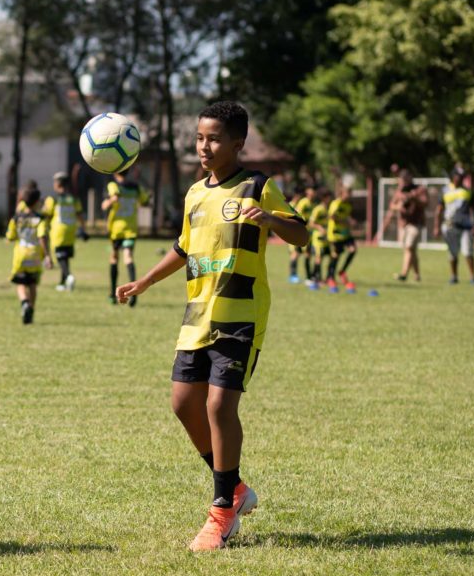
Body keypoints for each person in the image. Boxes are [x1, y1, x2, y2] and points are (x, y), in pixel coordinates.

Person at [116, 101, 308, 552]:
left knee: (220, 405)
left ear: (238, 144)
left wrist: (271, 220)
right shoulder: (195, 194)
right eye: (200, 137)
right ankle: (236, 487)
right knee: (184, 403)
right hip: (197, 313)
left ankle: (222, 510)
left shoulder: (257, 187)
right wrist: (145, 280)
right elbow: (184, 248)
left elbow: (302, 234)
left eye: (215, 138)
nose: (204, 146)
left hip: (241, 311)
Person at [102, 169, 151, 306]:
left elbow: (112, 199)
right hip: (131, 229)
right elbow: (145, 202)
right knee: (128, 257)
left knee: (114, 258)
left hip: (116, 230)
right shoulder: (136, 187)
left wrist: (108, 202)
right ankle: (134, 293)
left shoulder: (113, 185)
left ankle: (112, 294)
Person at [6, 183, 52, 324]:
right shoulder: (40, 219)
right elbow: (42, 237)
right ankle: (31, 308)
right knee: (32, 284)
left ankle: (24, 303)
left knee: (20, 284)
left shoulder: (16, 218)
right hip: (35, 255)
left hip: (20, 255)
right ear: (37, 202)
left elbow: (10, 237)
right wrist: (48, 256)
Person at [42, 171, 87, 292]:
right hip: (71, 230)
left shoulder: (53, 199)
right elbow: (80, 215)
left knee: (60, 257)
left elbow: (46, 215)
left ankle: (69, 276)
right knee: (65, 257)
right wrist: (83, 229)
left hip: (58, 231)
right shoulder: (73, 199)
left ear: (57, 184)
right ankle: (62, 283)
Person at [434, 166, 474, 285]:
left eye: (462, 176)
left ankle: (473, 277)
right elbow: (439, 209)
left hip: (466, 226)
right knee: (452, 253)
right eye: (458, 176)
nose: (460, 178)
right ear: (453, 176)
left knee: (468, 252)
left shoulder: (467, 191)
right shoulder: (445, 190)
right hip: (450, 226)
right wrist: (437, 227)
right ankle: (454, 276)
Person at [384, 170, 428, 282]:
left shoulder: (420, 189)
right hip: (403, 224)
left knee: (409, 247)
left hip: (415, 223)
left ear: (410, 178)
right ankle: (417, 275)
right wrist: (398, 207)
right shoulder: (399, 191)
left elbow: (425, 203)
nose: (402, 183)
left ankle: (403, 274)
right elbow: (392, 205)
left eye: (404, 180)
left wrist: (414, 198)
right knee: (410, 250)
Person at [326, 183, 358, 290]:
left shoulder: (348, 205)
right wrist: (346, 222)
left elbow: (347, 216)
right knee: (335, 256)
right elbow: (332, 217)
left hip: (345, 234)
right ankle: (330, 277)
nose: (349, 195)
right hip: (335, 234)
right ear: (342, 193)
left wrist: (351, 222)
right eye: (347, 193)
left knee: (353, 250)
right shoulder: (336, 203)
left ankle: (342, 271)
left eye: (350, 193)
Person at [288, 185, 316, 284]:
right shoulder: (294, 204)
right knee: (295, 254)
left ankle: (308, 277)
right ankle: (292, 275)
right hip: (294, 232)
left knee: (304, 254)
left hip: (304, 232)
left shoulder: (310, 204)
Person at [306, 189, 332, 288]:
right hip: (318, 239)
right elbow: (311, 223)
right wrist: (320, 228)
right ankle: (317, 279)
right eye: (328, 197)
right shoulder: (318, 209)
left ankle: (327, 277)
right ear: (324, 198)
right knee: (318, 258)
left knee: (331, 256)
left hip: (326, 238)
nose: (330, 199)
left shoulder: (328, 209)